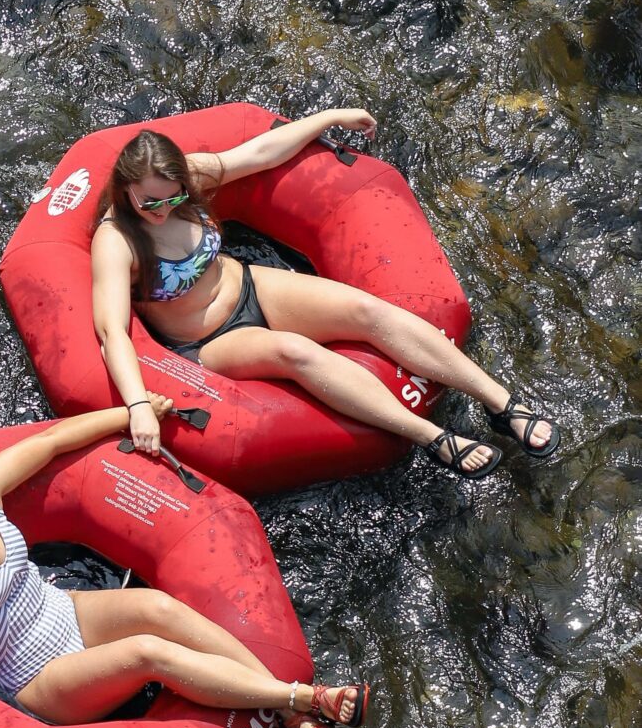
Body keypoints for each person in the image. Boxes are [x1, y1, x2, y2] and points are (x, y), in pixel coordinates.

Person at [0, 412, 365, 728]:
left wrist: (132, 412)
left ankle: (289, 718)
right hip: (37, 676)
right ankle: (302, 698)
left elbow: (48, 442)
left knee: (158, 608)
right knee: (145, 652)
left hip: (65, 610)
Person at [89, 112, 558, 479]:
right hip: (206, 340)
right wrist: (137, 407)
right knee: (292, 350)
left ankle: (501, 403)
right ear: (126, 190)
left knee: (366, 309)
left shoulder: (184, 182)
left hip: (249, 285)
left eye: (171, 198)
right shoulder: (117, 241)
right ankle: (432, 437)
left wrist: (329, 118)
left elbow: (259, 154)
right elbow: (113, 333)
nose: (162, 209)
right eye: (149, 201)